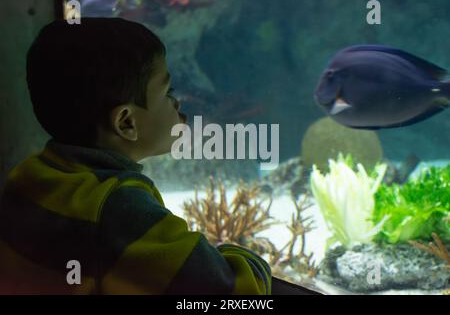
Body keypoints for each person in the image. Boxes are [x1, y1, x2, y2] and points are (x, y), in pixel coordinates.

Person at [0, 18, 271, 295]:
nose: (177, 103)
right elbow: (235, 293)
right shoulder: (118, 209)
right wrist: (241, 256)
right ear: (126, 123)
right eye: (168, 93)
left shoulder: (29, 174)